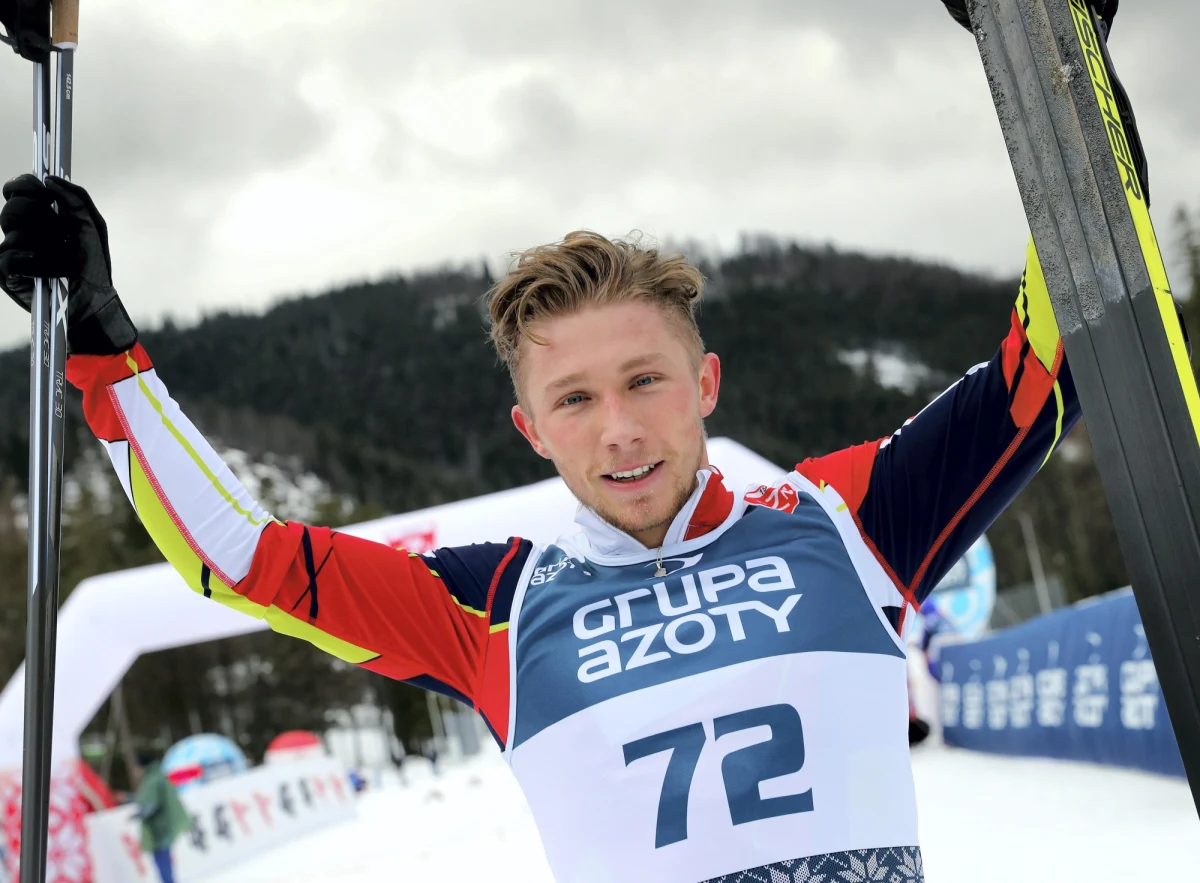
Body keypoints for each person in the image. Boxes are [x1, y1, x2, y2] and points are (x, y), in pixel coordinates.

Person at [0, 29, 1094, 883]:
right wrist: (103, 340)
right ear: (531, 430)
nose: (619, 428)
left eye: (645, 380)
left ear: (706, 384)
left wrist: (1062, 78)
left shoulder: (842, 521)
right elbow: (242, 559)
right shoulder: (494, 608)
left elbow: (1044, 370)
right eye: (574, 398)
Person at [131, 752, 190, 883]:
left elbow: (150, 803)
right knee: (164, 862)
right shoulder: (158, 776)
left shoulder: (152, 780)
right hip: (164, 826)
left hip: (159, 829)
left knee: (163, 863)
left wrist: (139, 813)